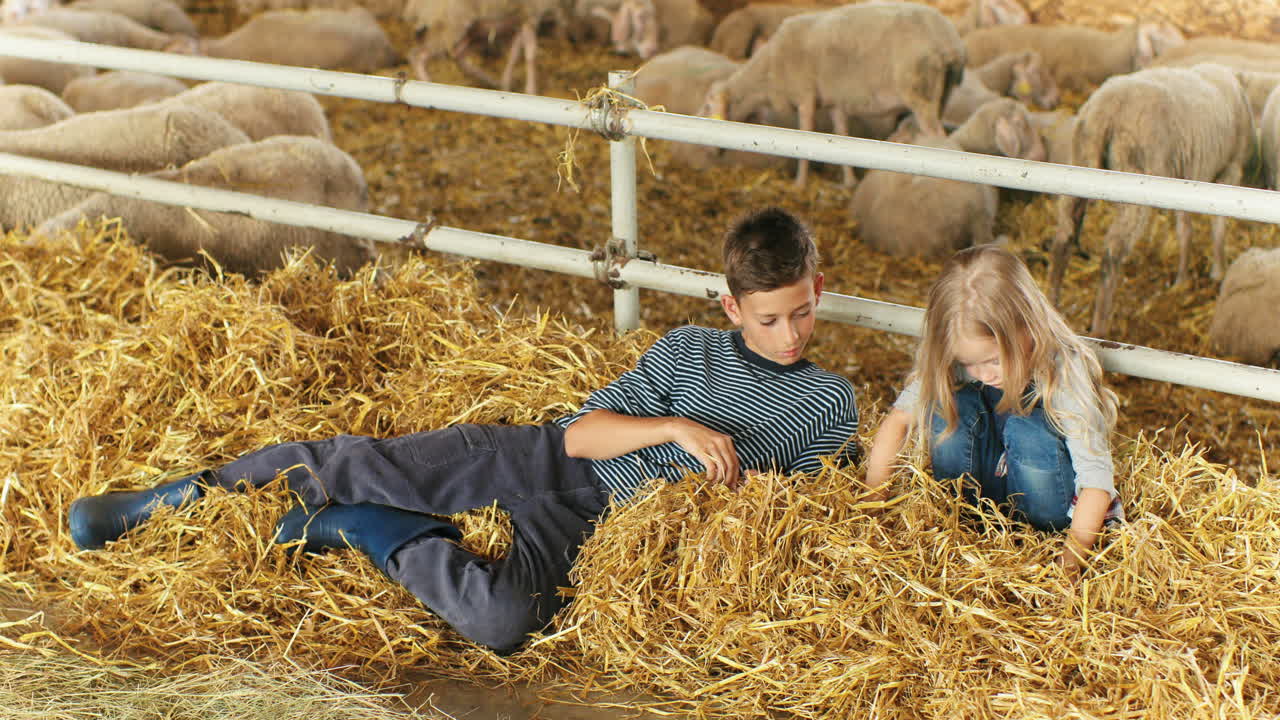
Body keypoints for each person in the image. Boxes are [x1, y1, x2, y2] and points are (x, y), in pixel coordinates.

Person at [67, 207, 861, 653]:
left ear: (819, 289)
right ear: (731, 307)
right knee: (358, 462)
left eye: (801, 313)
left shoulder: (828, 404)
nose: (789, 334)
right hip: (546, 459)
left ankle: (372, 531)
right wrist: (675, 428)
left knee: (501, 623)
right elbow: (580, 433)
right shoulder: (687, 350)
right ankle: (171, 500)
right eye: (767, 319)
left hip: (600, 528)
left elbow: (786, 515)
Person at [865, 243, 1121, 582]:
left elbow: (1096, 480)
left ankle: (1031, 534)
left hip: (1044, 516)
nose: (984, 374)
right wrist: (871, 509)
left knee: (1027, 428)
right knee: (949, 403)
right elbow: (898, 420)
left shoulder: (1063, 370)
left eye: (995, 360)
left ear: (1029, 327)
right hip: (979, 508)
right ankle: (962, 517)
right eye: (969, 363)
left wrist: (1069, 566)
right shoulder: (962, 361)